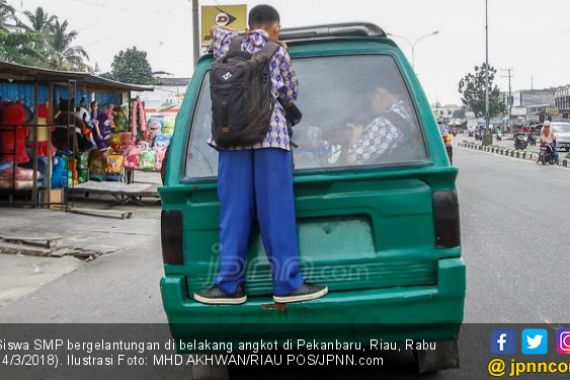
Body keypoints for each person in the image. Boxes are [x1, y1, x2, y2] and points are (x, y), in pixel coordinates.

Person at [193, 4, 327, 305]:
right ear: (276, 27)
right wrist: (276, 46)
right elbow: (290, 94)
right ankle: (287, 284)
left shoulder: (227, 44)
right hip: (271, 138)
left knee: (233, 213)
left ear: (248, 26)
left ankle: (229, 287)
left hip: (231, 138)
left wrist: (239, 34)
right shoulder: (277, 52)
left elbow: (214, 31)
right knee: (276, 214)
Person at [346, 87, 415, 165]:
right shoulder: (407, 110)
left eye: (369, 101)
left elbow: (353, 161)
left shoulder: (384, 124)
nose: (370, 108)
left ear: (380, 94)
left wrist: (355, 137)